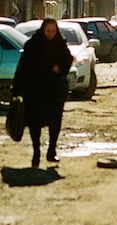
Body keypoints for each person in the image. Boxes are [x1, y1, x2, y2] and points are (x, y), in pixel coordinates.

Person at [11, 18, 73, 167]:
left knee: (55, 122)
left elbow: (68, 60)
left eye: (53, 31)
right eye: (47, 31)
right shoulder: (33, 45)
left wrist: (60, 68)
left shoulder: (60, 44)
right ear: (43, 30)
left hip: (54, 91)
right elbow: (22, 67)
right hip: (35, 90)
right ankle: (36, 152)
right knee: (34, 123)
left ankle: (51, 151)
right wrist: (17, 89)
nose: (50, 34)